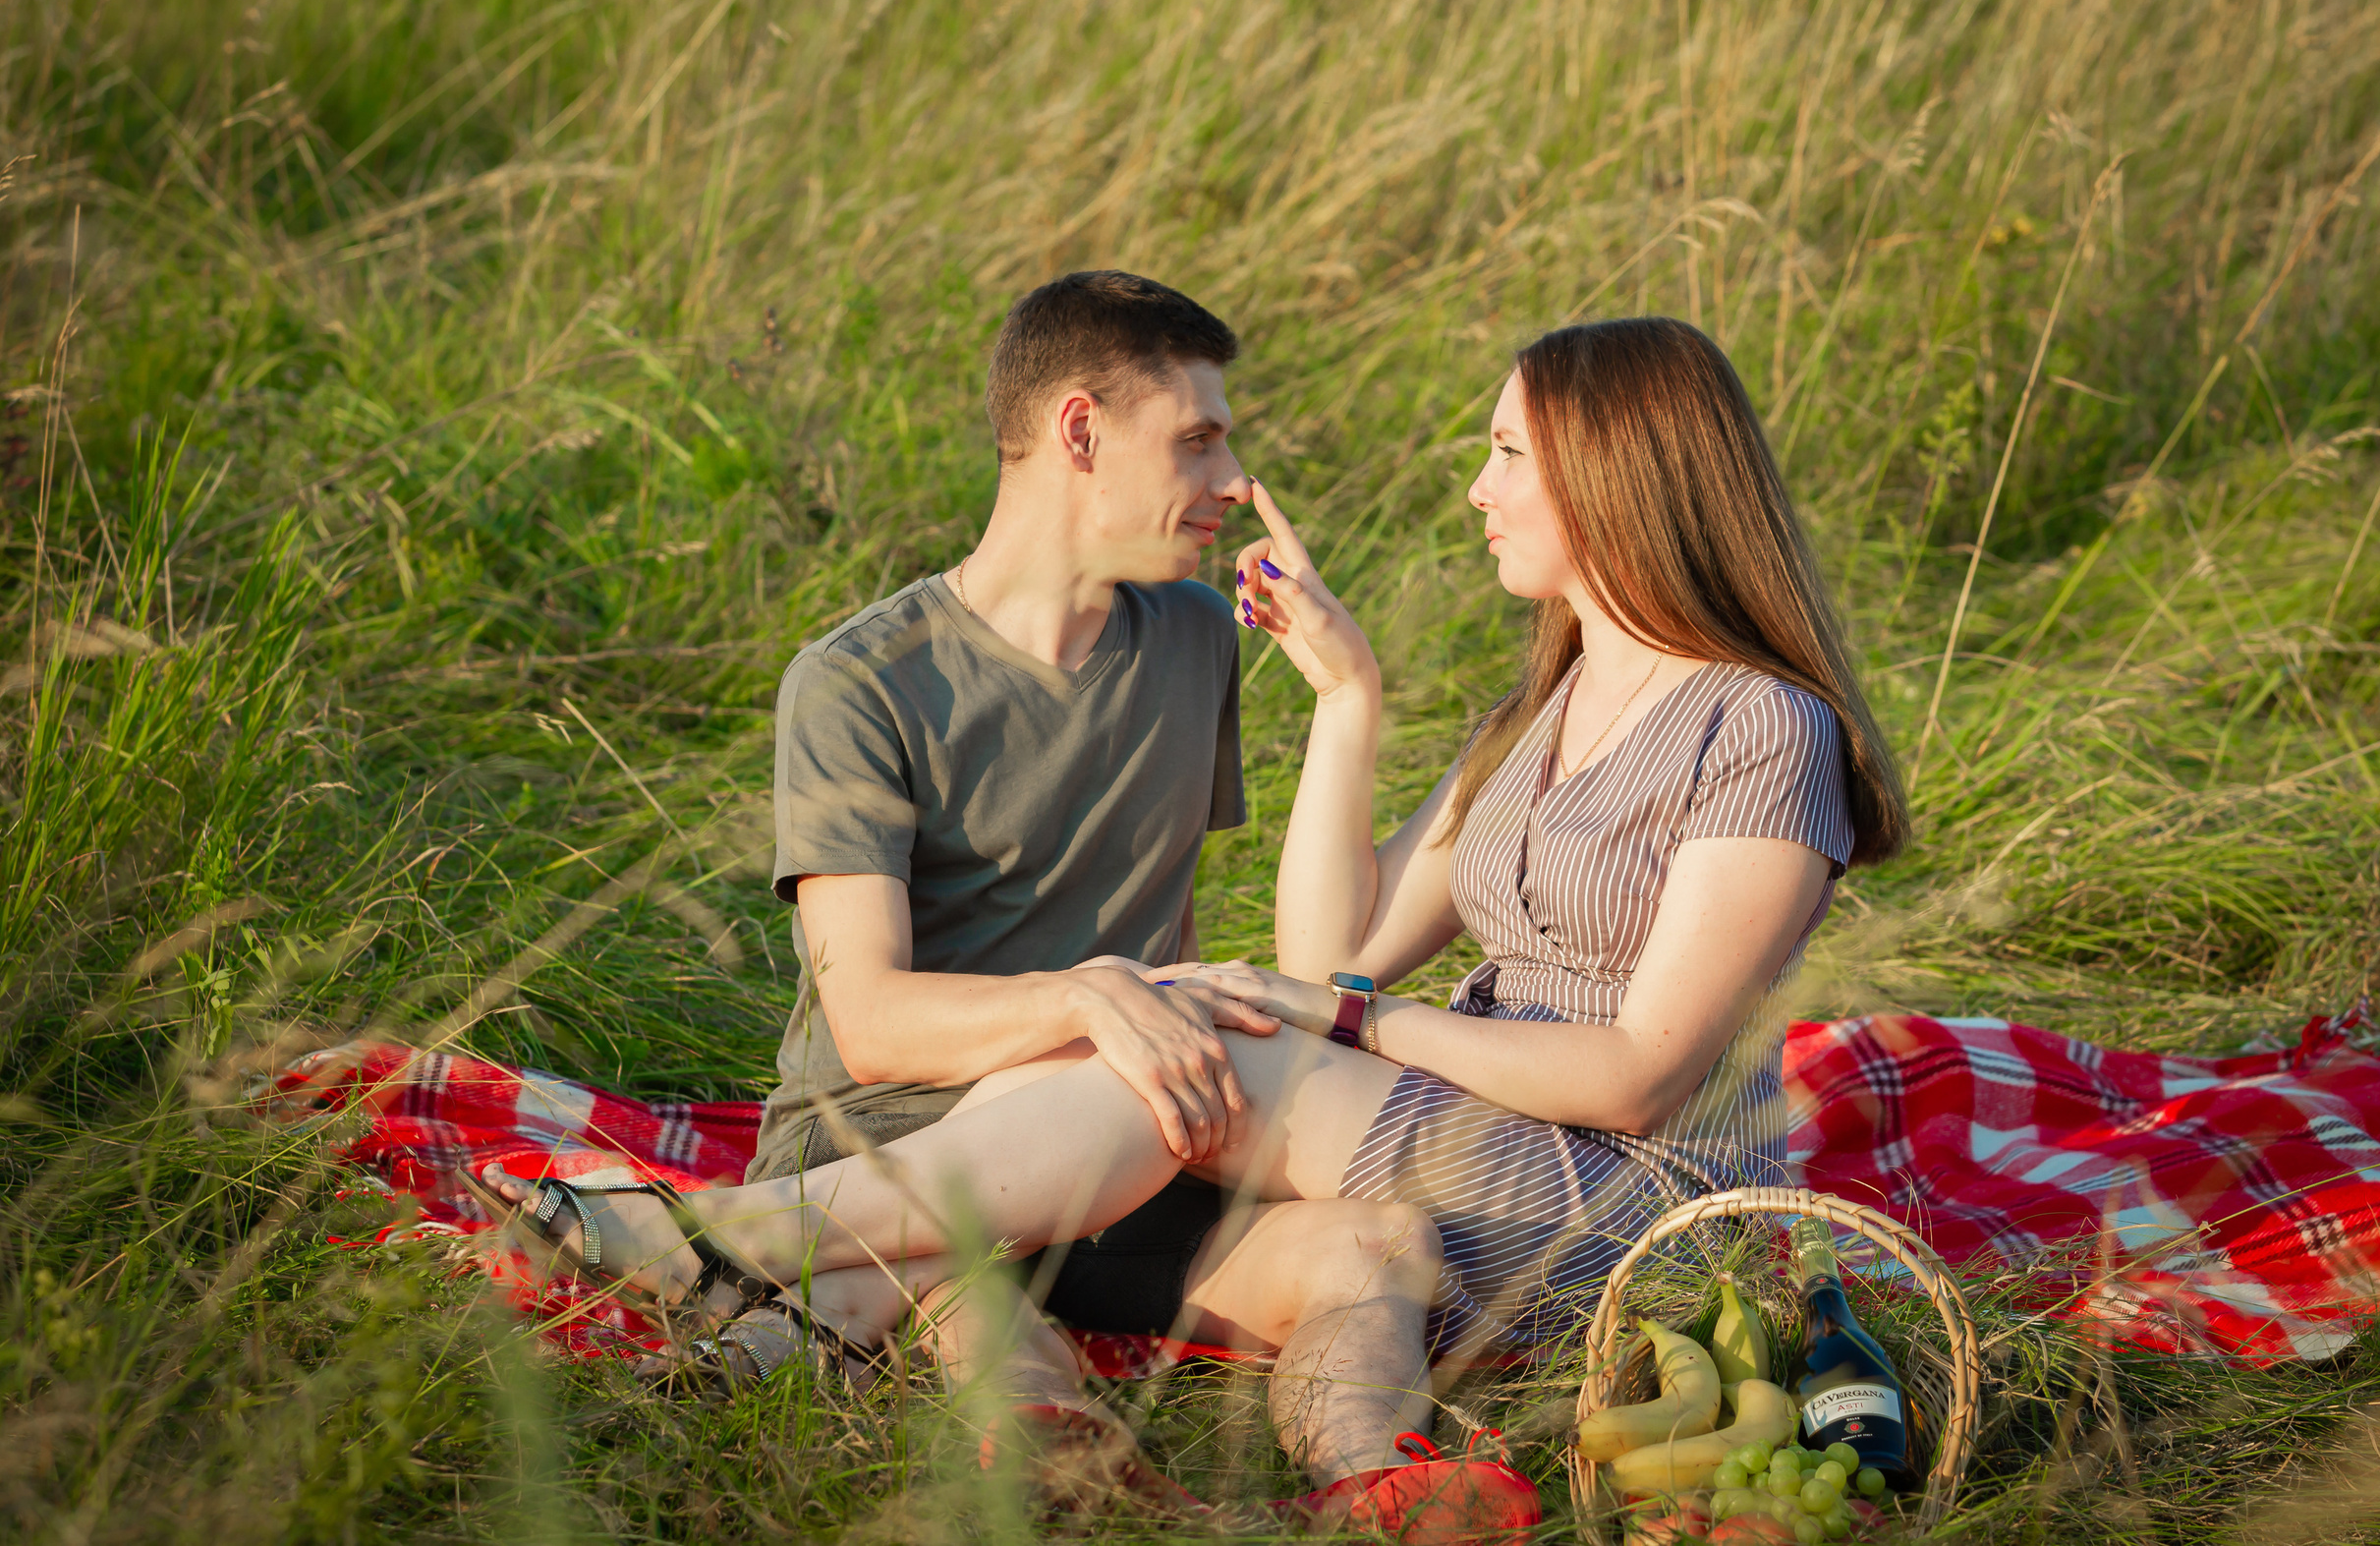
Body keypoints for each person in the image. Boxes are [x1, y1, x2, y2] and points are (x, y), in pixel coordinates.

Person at [482, 314, 1908, 1530]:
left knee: (1225, 1041)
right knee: (1267, 1108)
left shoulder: (1761, 727)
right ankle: (1367, 1480)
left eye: (1508, 455)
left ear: (1616, 476)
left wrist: (1344, 1023)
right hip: (1473, 1159)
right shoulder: (1536, 717)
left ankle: (723, 1240)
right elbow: (1329, 951)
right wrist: (1346, 707)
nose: (1477, 487)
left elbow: (1636, 1073)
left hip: (1639, 1199)